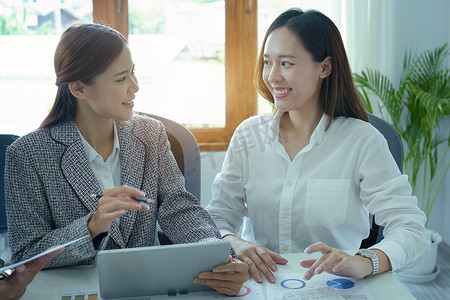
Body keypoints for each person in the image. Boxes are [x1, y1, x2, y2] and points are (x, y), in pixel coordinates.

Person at [4, 23, 247, 296]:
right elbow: (27, 254)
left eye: (133, 72)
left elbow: (178, 208)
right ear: (79, 88)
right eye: (121, 79)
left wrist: (214, 255)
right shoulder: (27, 154)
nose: (135, 87)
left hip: (148, 287)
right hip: (74, 291)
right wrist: (92, 225)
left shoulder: (150, 134)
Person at [206, 8, 430, 284]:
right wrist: (236, 244)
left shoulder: (362, 141)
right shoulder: (248, 136)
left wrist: (365, 262)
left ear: (324, 67)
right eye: (267, 62)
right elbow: (216, 217)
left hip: (335, 286)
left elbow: (412, 229)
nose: (272, 76)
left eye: (286, 63)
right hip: (262, 284)